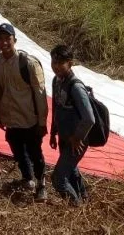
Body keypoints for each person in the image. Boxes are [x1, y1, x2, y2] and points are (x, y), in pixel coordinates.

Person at [0, 23, 49, 202]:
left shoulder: (28, 63)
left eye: (8, 38)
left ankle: (41, 184)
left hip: (29, 118)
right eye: (0, 39)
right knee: (16, 148)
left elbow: (40, 94)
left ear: (15, 40)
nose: (4, 42)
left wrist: (42, 122)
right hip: (11, 117)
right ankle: (27, 178)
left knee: (35, 152)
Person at [49, 44, 94, 206]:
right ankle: (84, 198)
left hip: (76, 140)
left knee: (58, 178)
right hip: (64, 136)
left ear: (70, 63)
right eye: (53, 62)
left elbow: (89, 118)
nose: (56, 66)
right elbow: (56, 107)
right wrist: (53, 132)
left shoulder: (76, 87)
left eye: (61, 63)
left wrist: (77, 138)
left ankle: (75, 206)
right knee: (72, 170)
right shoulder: (56, 81)